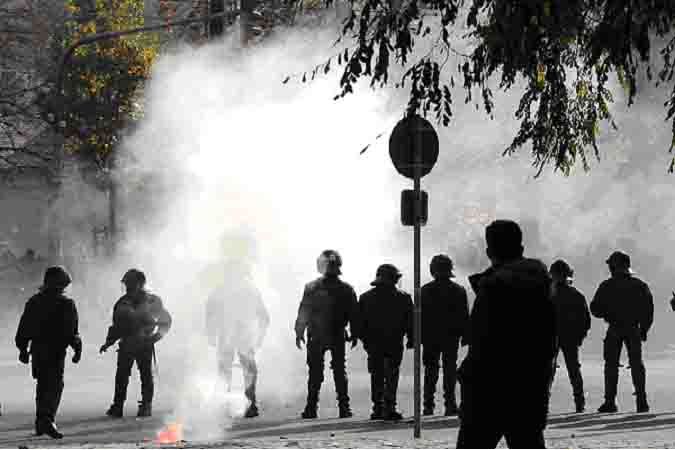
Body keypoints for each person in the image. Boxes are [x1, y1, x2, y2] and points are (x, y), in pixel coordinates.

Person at [457, 220, 557, 449]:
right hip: (529, 389)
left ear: (489, 251)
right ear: (520, 248)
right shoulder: (542, 286)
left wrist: (467, 378)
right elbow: (549, 343)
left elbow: (482, 344)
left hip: (488, 392)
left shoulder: (493, 288)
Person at [15, 266, 82, 439]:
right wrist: (77, 349)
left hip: (38, 351)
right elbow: (72, 332)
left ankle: (41, 421)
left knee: (43, 385)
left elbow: (24, 328)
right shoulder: (66, 304)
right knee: (54, 386)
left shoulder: (34, 302)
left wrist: (22, 349)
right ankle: (47, 420)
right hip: (55, 352)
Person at [294, 249, 359, 419]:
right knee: (339, 370)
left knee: (315, 372)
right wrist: (355, 333)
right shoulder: (346, 288)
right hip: (336, 333)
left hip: (316, 335)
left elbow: (304, 311)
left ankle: (311, 408)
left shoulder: (311, 288)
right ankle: (344, 408)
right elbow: (354, 314)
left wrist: (299, 332)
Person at [99, 269, 172, 418]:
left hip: (144, 344)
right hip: (127, 344)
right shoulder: (123, 302)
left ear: (139, 284)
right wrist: (108, 342)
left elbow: (165, 321)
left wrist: (155, 337)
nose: (127, 287)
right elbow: (117, 326)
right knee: (122, 376)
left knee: (145, 375)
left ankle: (145, 405)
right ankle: (118, 406)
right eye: (126, 284)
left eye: (130, 283)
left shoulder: (153, 301)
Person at [591, 251, 653, 413]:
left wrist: (607, 313)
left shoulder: (607, 286)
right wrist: (644, 329)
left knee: (611, 365)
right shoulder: (640, 285)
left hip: (614, 328)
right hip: (633, 329)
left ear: (614, 267)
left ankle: (610, 402)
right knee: (636, 364)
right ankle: (642, 402)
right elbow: (648, 310)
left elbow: (595, 309)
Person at [206, 259, 270, 418]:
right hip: (239, 335)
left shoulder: (223, 289)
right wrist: (259, 336)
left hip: (234, 335)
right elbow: (264, 316)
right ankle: (247, 404)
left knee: (228, 371)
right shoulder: (249, 290)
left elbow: (210, 313)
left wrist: (211, 333)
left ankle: (231, 405)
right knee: (241, 370)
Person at [358, 264, 413, 421]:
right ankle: (389, 407)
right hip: (394, 342)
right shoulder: (403, 297)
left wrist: (364, 339)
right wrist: (411, 338)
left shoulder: (366, 297)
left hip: (374, 343)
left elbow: (359, 323)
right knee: (391, 375)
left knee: (377, 374)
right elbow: (410, 321)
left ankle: (378, 408)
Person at [421, 254, 469, 416]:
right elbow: (464, 315)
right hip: (451, 335)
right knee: (450, 369)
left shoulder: (425, 291)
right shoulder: (458, 290)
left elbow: (418, 316)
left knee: (430, 370)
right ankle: (450, 404)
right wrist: (465, 335)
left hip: (430, 336)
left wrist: (416, 336)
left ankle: (428, 405)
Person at [549, 259, 591, 413]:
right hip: (570, 338)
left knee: (548, 372)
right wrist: (580, 337)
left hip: (550, 338)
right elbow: (585, 320)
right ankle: (580, 403)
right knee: (574, 370)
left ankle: (543, 403)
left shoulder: (547, 295)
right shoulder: (576, 295)